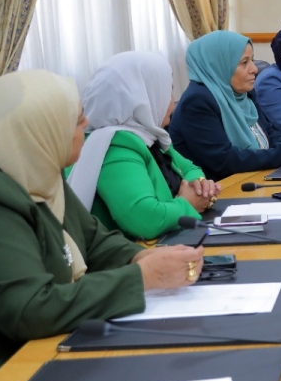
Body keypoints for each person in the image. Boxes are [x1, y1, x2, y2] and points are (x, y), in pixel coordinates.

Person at [0, 70, 204, 369]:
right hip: (21, 366)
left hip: (64, 340)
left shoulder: (44, 174)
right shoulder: (3, 201)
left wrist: (141, 257)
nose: (86, 125)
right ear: (42, 131)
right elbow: (30, 308)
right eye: (77, 120)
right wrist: (143, 277)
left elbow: (94, 241)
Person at [67, 52, 221, 241]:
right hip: (135, 252)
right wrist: (187, 203)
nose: (172, 102)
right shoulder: (115, 147)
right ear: (142, 97)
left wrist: (198, 185)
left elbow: (189, 168)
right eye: (167, 92)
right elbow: (145, 220)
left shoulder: (147, 134)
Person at [170, 31, 281, 181]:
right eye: (244, 62)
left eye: (252, 60)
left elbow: (268, 134)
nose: (254, 69)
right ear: (219, 65)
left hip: (253, 180)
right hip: (224, 191)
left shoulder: (244, 94)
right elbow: (224, 160)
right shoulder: (197, 102)